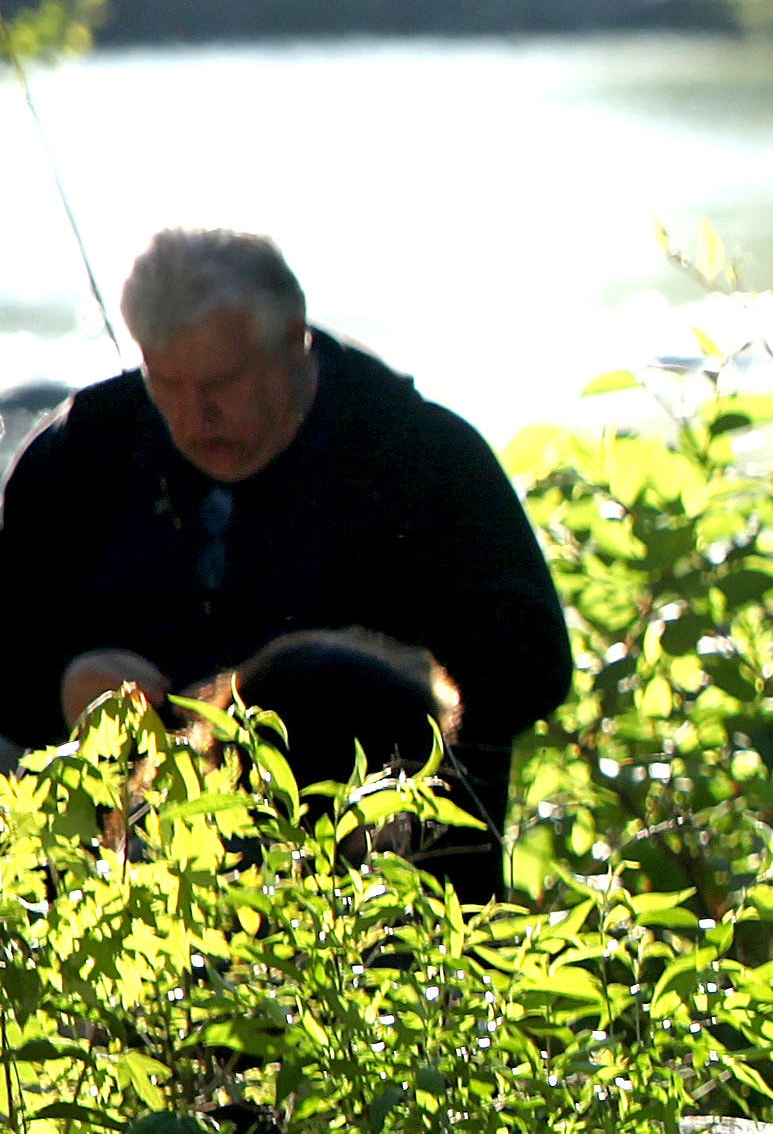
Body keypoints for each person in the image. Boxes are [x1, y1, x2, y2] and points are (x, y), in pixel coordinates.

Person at [0, 229, 569, 897]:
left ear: (294, 338)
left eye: (220, 383)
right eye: (166, 383)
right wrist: (67, 684)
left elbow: (534, 668)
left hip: (387, 880)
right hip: (137, 886)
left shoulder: (418, 455)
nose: (193, 416)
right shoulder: (85, 454)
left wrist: (384, 679)